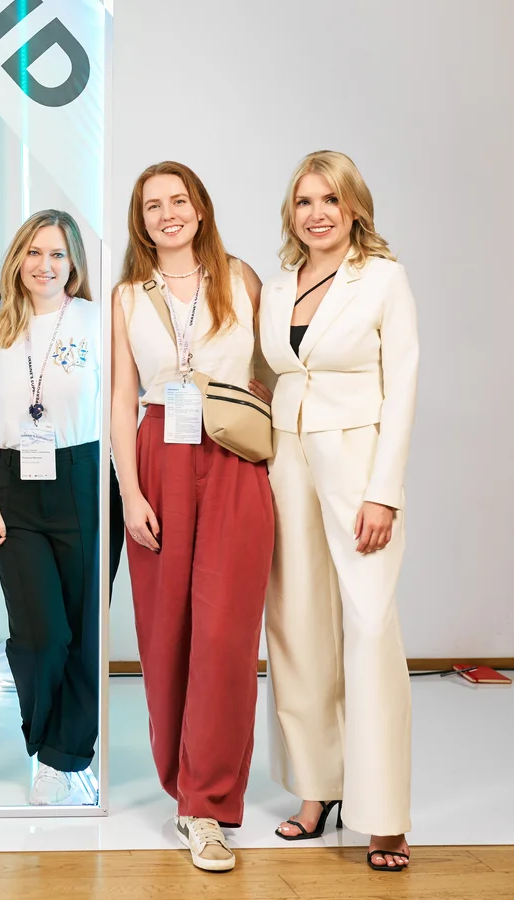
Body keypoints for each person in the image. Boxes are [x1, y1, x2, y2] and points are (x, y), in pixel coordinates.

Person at [111, 162, 273, 872]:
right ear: (140, 221)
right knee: (165, 634)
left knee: (225, 635)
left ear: (200, 209)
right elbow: (122, 399)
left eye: (179, 200)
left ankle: (206, 807)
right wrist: (130, 492)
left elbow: (272, 375)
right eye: (153, 205)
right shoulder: (126, 296)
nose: (167, 213)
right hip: (158, 460)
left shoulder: (240, 279)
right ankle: (181, 785)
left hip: (233, 457)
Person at [261, 151, 418, 871]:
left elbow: (403, 385)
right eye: (304, 201)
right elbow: (272, 374)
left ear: (354, 206)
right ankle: (316, 787)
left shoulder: (382, 278)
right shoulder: (277, 285)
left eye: (330, 199)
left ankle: (383, 814)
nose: (317, 213)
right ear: (291, 213)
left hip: (358, 463)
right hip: (286, 460)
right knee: (296, 626)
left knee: (369, 625)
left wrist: (383, 490)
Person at [0, 210, 102, 805]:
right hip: (15, 485)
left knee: (82, 629)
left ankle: (63, 758)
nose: (44, 265)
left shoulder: (94, 321)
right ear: (17, 259)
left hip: (82, 477)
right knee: (38, 634)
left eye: (56, 254)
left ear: (72, 265)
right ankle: (47, 739)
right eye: (33, 252)